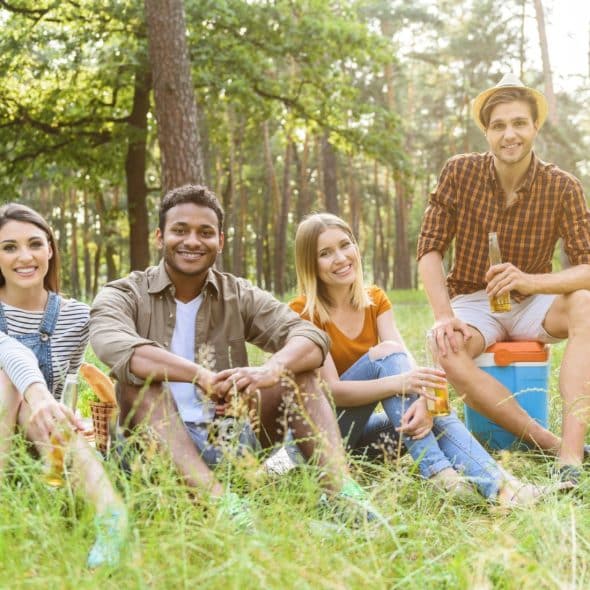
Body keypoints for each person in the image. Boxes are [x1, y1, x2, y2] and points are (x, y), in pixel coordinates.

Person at [89, 184, 375, 525]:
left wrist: (270, 370)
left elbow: (310, 337)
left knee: (300, 374)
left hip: (226, 438)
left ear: (220, 242)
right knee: (141, 383)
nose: (192, 241)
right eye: (180, 230)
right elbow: (114, 346)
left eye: (205, 233)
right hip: (150, 452)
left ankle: (342, 495)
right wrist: (201, 376)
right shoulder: (124, 293)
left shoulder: (237, 294)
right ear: (159, 236)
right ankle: (222, 507)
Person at [290, 211, 548, 505]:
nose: (340, 257)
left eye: (345, 245)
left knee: (425, 401)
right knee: (384, 358)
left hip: (361, 447)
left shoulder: (374, 300)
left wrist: (426, 404)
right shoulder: (302, 312)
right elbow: (333, 393)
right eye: (325, 253)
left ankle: (504, 488)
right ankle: (439, 472)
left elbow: (408, 368)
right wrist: (402, 380)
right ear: (310, 264)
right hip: (316, 443)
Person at [417, 73, 590, 484]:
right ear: (486, 132)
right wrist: (443, 317)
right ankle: (550, 444)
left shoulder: (563, 186)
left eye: (519, 123)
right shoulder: (460, 173)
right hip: (475, 301)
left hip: (534, 301)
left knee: (585, 303)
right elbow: (429, 249)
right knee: (446, 346)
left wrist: (530, 282)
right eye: (498, 126)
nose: (509, 134)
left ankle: (571, 460)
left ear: (535, 127)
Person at [0, 203, 127, 568]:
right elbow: (11, 353)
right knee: (7, 378)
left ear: (50, 250)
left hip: (47, 441)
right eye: (9, 247)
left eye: (34, 244)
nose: (25, 256)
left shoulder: (75, 316)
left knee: (45, 411)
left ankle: (111, 517)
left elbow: (71, 383)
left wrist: (73, 415)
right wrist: (38, 396)